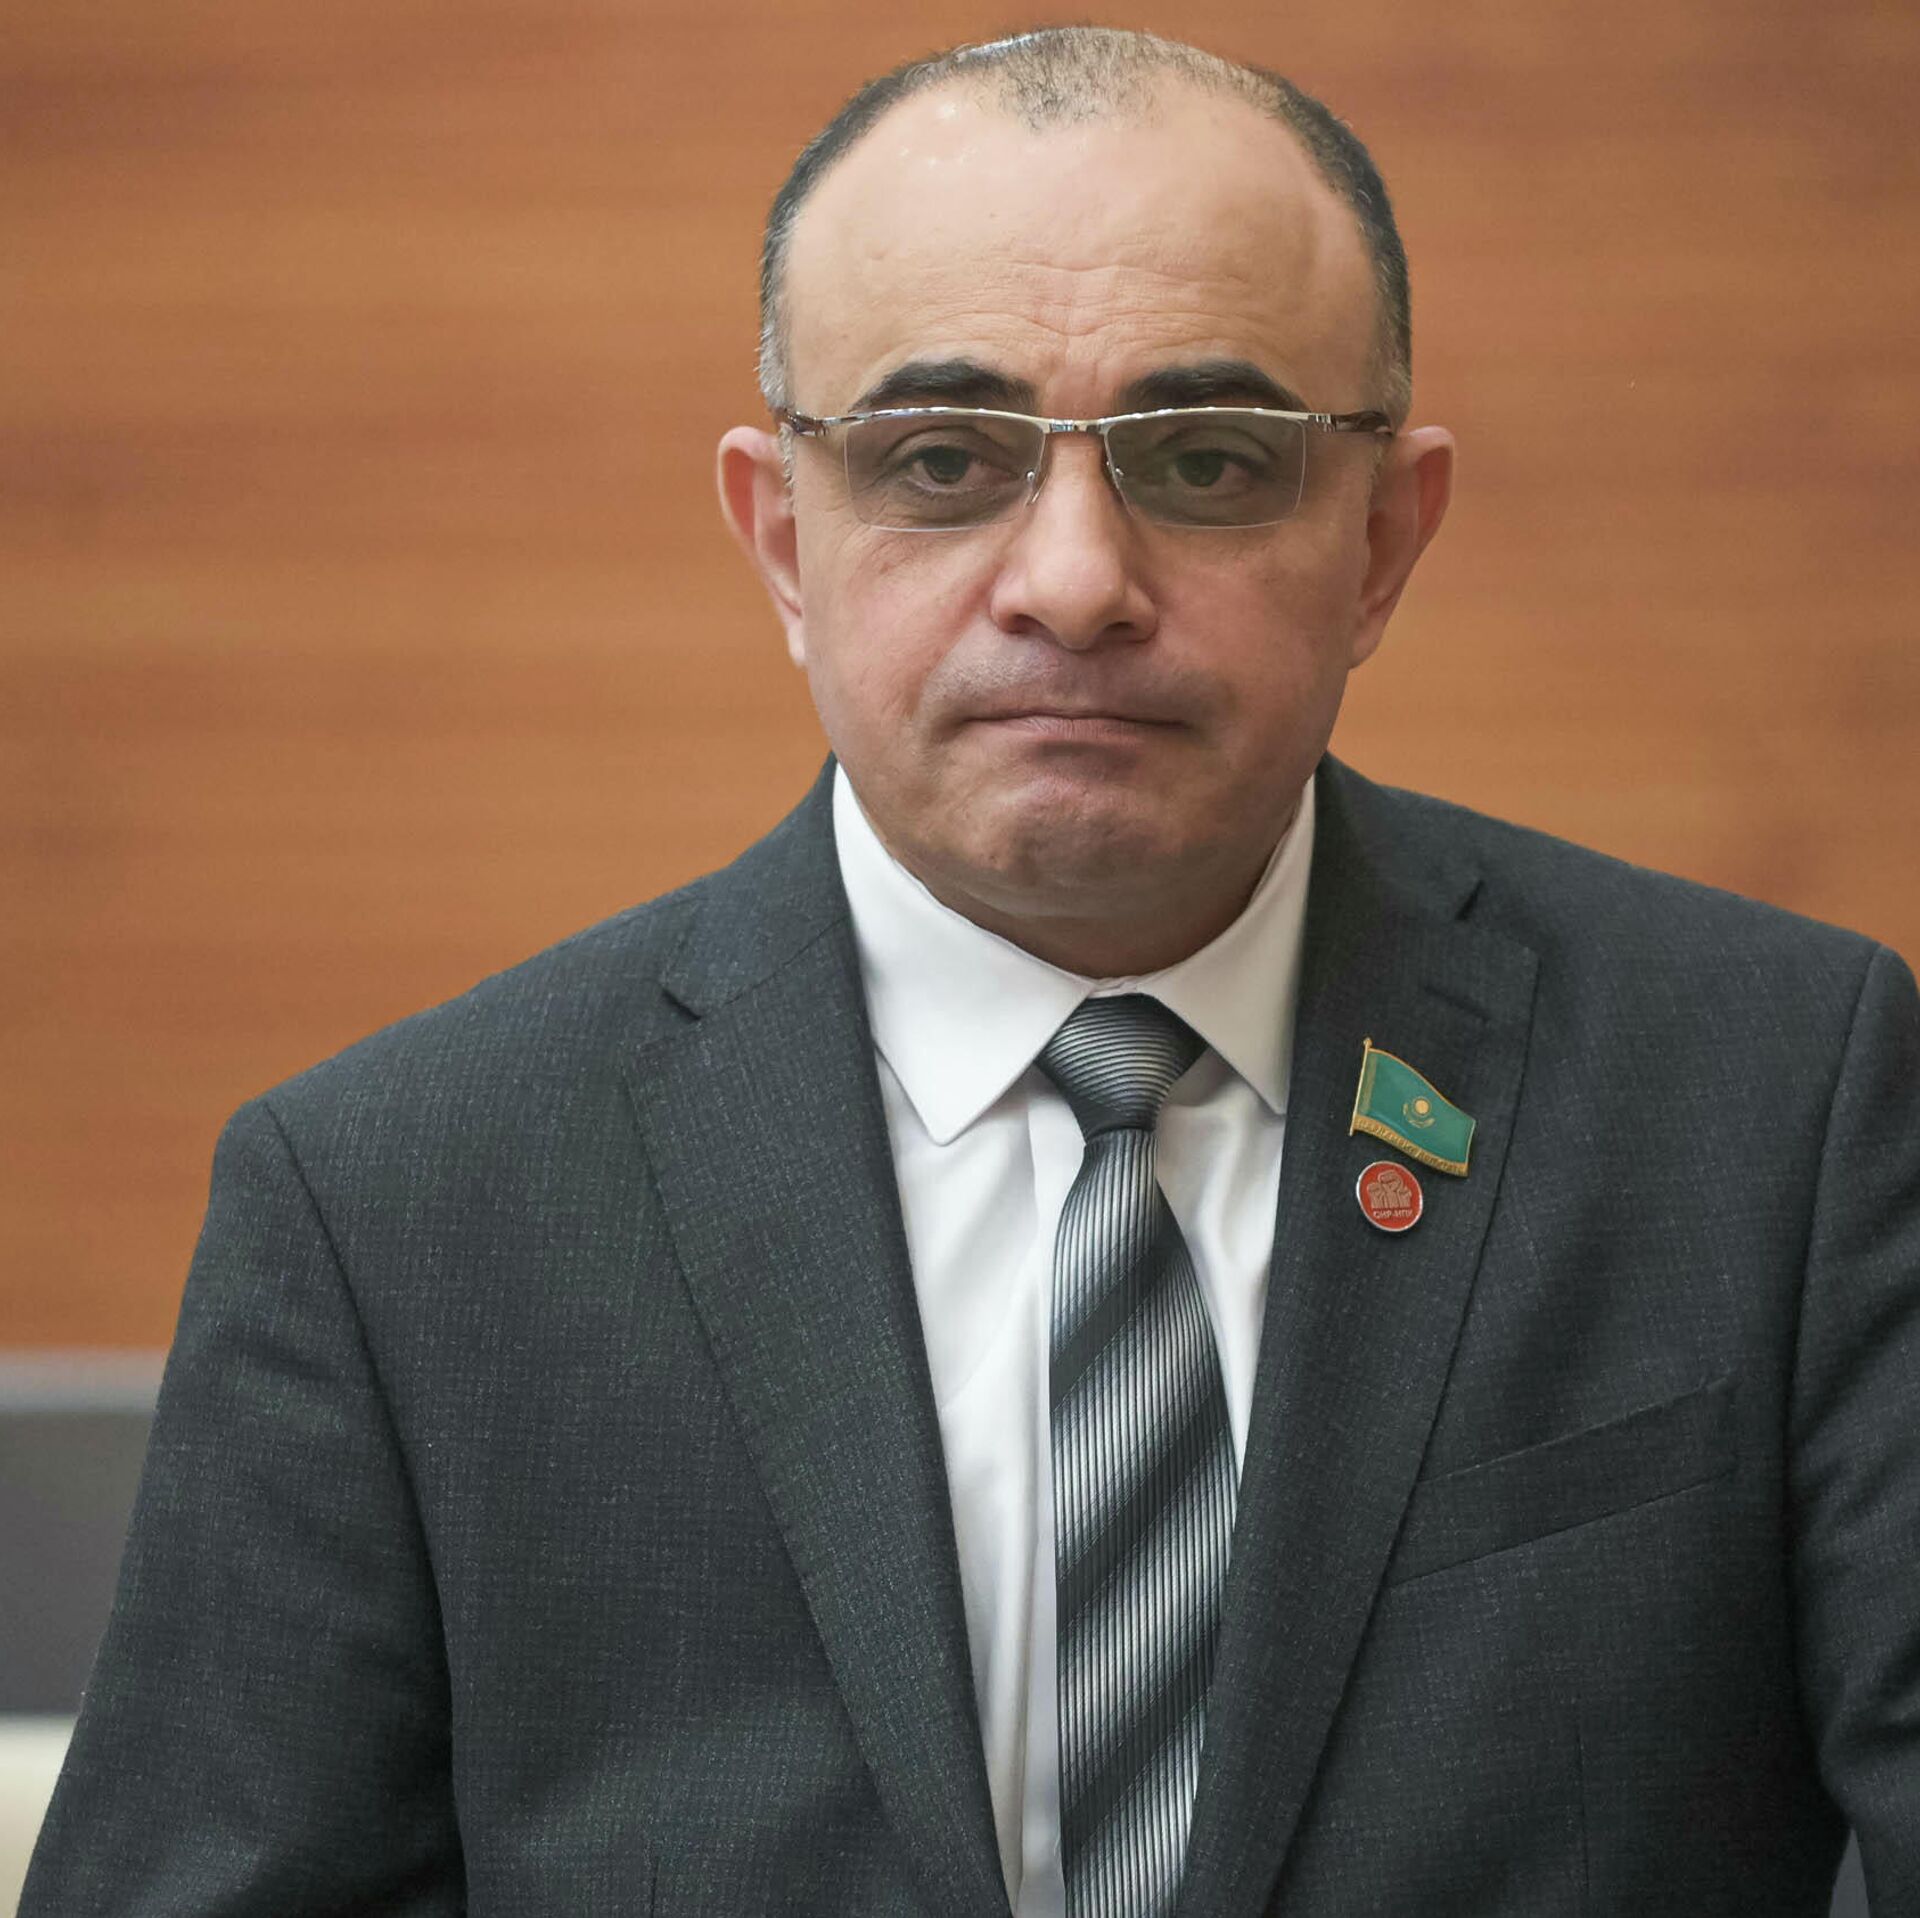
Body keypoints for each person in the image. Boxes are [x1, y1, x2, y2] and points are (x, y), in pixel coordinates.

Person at [23, 27, 1920, 1918]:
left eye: (1209, 459)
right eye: (941, 460)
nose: (1075, 581)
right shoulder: (396, 1209)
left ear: (1382, 542)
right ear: (785, 536)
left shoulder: (1779, 1103)